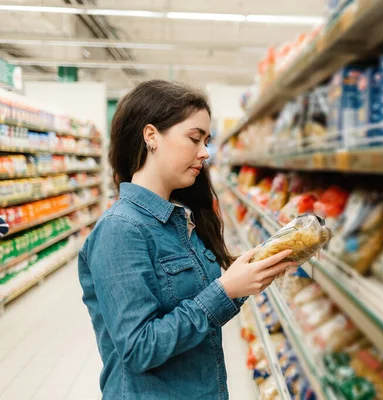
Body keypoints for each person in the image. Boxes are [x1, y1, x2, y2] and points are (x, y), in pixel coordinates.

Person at [78, 80, 294, 400]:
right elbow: (139, 348)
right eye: (194, 139)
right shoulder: (121, 230)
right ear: (151, 136)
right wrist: (225, 291)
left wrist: (250, 276)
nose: (205, 152)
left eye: (206, 140)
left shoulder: (180, 218)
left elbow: (196, 305)